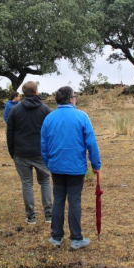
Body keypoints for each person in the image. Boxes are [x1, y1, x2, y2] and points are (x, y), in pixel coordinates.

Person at [41, 86, 101, 250]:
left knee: (58, 200)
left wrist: (49, 163)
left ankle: (56, 237)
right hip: (75, 168)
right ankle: (75, 239)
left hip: (57, 167)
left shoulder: (49, 118)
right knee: (74, 201)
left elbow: (43, 146)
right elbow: (91, 143)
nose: (75, 98)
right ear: (70, 98)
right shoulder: (82, 116)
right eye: (74, 96)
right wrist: (96, 164)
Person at [6, 81, 52, 225]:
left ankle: (31, 215)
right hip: (40, 153)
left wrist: (12, 151)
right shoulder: (45, 110)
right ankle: (49, 214)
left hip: (21, 153)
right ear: (36, 91)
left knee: (27, 183)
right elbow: (51, 132)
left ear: (23, 93)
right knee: (45, 181)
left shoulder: (15, 110)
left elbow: (10, 132)